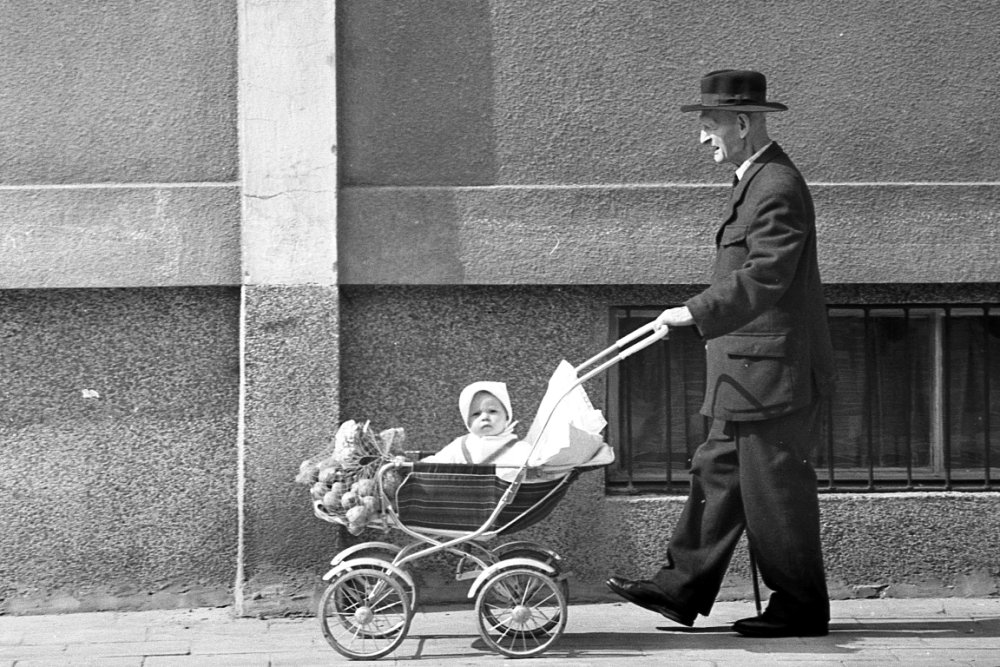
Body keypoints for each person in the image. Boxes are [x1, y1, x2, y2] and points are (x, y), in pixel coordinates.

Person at [606, 69, 836, 638]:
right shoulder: (754, 180)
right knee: (717, 473)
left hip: (772, 372)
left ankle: (800, 608)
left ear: (742, 123)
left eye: (710, 124)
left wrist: (694, 311)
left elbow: (767, 275)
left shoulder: (776, 184)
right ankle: (680, 587)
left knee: (775, 494)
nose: (702, 137)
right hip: (746, 370)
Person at [421, 381, 531, 468]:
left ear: (507, 415)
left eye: (492, 411)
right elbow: (436, 462)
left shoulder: (520, 449)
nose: (484, 417)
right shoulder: (461, 445)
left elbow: (536, 467)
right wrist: (414, 464)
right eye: (476, 414)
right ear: (467, 421)